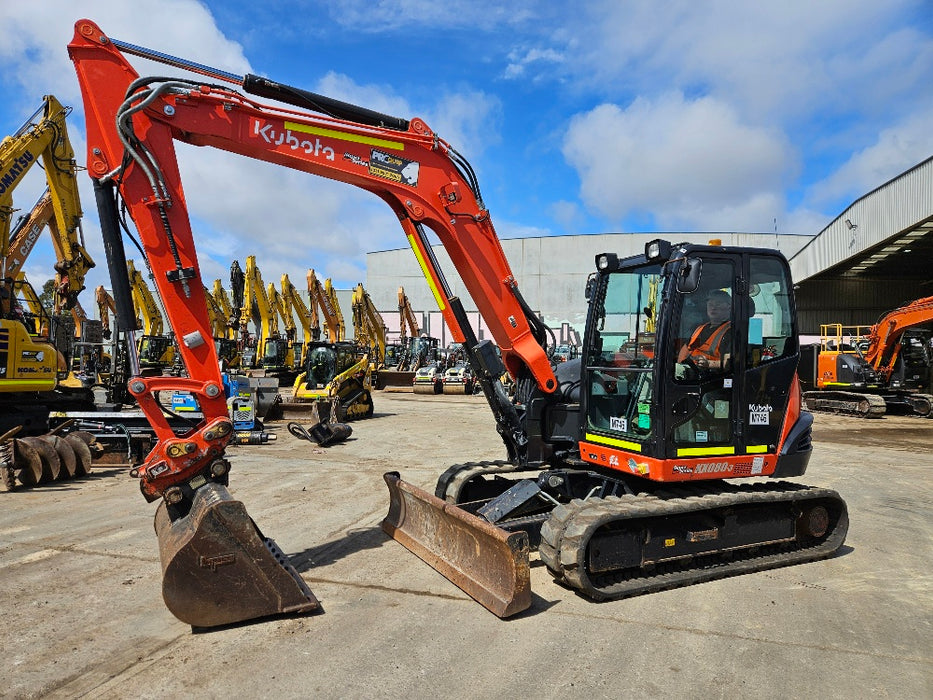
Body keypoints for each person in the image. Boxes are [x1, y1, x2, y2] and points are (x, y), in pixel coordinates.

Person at [677, 289, 732, 373]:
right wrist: (680, 367)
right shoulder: (700, 328)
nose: (713, 308)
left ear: (729, 307)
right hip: (690, 374)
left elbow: (728, 363)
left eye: (718, 304)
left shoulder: (730, 331)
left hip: (712, 377)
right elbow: (686, 349)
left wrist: (709, 364)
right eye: (710, 304)